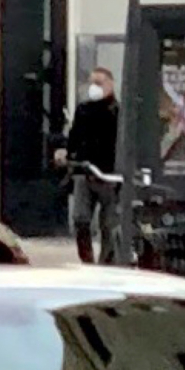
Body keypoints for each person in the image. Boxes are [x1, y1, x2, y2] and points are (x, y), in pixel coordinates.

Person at [53, 67, 120, 262]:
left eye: (99, 83)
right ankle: (87, 260)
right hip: (84, 171)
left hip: (108, 175)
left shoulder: (116, 112)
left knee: (109, 224)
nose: (94, 87)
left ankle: (107, 262)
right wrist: (66, 153)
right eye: (92, 83)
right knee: (80, 219)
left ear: (110, 84)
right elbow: (73, 139)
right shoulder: (83, 110)